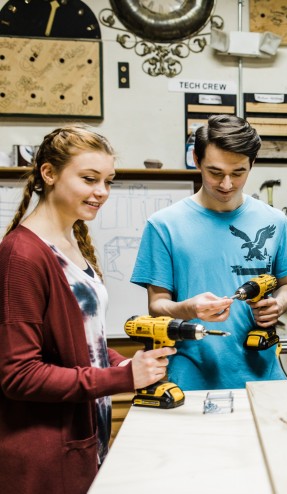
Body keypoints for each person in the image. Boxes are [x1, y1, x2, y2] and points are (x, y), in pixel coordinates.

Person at [0, 126, 174, 493]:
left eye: (108, 181)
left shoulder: (70, 241)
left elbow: (83, 338)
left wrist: (117, 361)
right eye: (89, 179)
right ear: (48, 174)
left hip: (85, 438)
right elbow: (18, 374)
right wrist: (122, 379)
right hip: (45, 457)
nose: (102, 192)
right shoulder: (23, 256)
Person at [131, 114, 287, 390]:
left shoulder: (275, 222)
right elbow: (156, 306)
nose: (226, 184)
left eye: (238, 173)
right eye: (215, 172)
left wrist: (278, 305)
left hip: (263, 375)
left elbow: (286, 287)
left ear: (252, 164)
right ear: (197, 161)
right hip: (192, 378)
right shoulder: (164, 225)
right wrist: (189, 308)